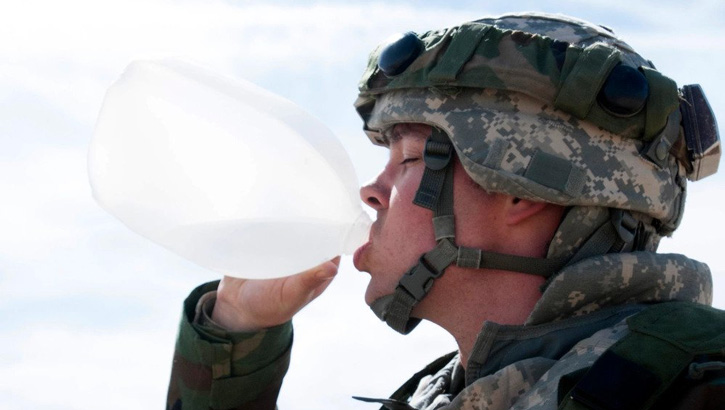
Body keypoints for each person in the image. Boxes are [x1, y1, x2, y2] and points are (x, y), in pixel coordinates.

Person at [166, 12, 724, 410]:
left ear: (518, 188)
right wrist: (236, 330)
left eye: (407, 158)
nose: (372, 191)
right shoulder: (453, 395)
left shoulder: (694, 387)